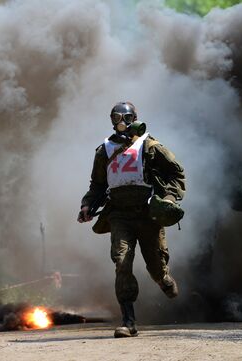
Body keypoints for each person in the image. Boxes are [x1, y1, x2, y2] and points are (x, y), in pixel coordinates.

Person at [78, 101, 186, 338]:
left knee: (156, 266)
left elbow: (176, 173)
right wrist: (87, 204)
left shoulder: (150, 146)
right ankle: (128, 321)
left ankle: (164, 279)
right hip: (119, 215)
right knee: (122, 261)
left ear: (134, 118)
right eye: (116, 118)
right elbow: (97, 185)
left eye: (125, 118)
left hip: (148, 214)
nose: (120, 123)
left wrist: (168, 199)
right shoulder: (104, 150)